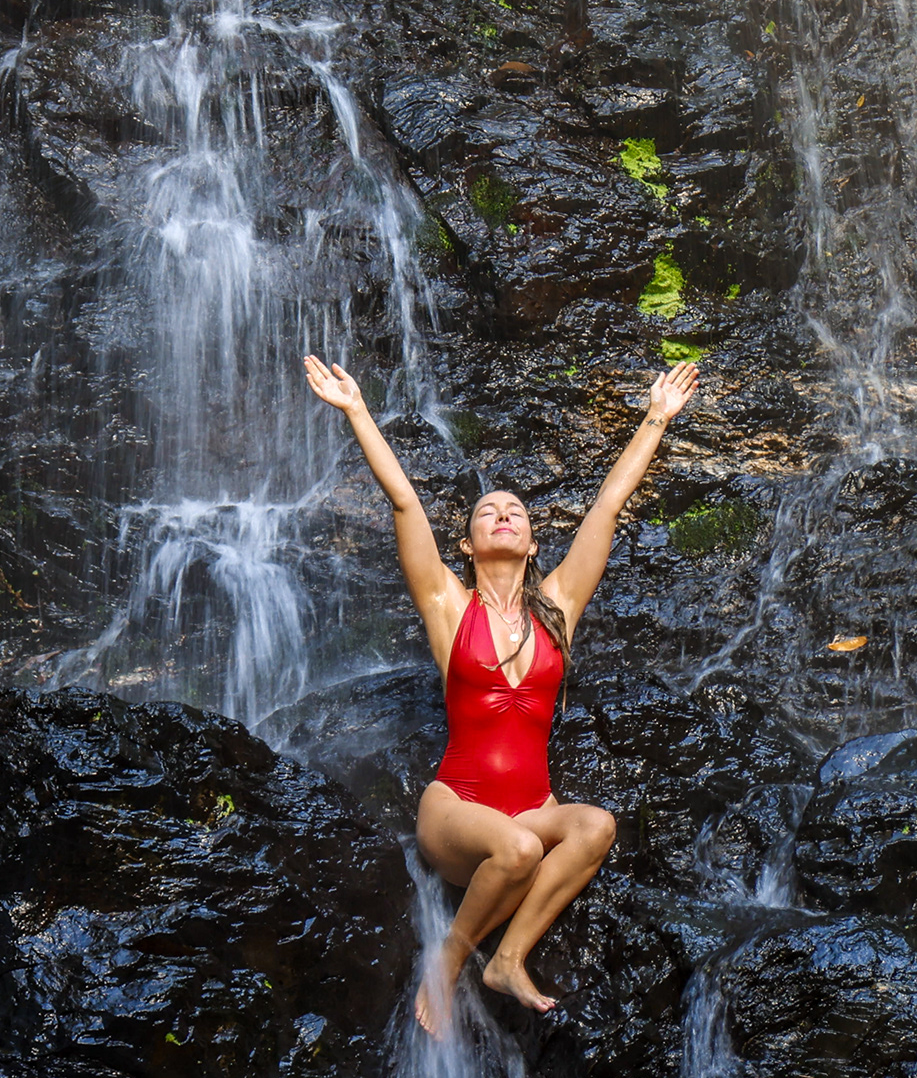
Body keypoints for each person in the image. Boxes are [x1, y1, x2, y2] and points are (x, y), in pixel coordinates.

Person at [301, 352, 703, 1035]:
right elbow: (404, 500)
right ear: (468, 543)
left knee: (596, 825)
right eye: (489, 511)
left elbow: (608, 504)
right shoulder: (448, 607)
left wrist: (656, 421)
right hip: (457, 810)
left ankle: (507, 956)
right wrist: (356, 410)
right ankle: (451, 954)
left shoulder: (558, 606)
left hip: (532, 808)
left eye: (515, 510)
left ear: (533, 539)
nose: (504, 514)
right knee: (516, 848)